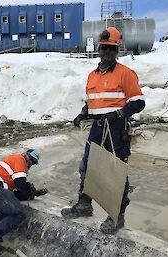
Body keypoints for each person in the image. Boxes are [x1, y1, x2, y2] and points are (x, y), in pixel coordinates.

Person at [61, 27, 145, 234]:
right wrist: (83, 114)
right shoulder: (92, 76)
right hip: (98, 127)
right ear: (98, 49)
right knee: (87, 167)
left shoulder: (126, 74)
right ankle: (84, 204)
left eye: (111, 49)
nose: (107, 53)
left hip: (116, 129)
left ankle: (117, 215)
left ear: (117, 51)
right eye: (104, 49)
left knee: (116, 171)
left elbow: (138, 102)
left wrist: (119, 114)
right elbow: (92, 103)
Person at [0, 149, 47, 257]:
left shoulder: (9, 173)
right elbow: (20, 184)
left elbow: (14, 195)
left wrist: (30, 194)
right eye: (31, 160)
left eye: (33, 162)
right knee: (19, 213)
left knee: (11, 210)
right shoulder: (19, 159)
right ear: (25, 155)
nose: (30, 164)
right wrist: (29, 189)